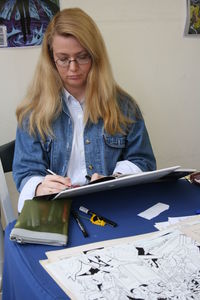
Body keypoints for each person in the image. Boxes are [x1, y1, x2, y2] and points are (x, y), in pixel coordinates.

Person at [13, 8, 156, 213]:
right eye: (63, 59)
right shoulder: (33, 112)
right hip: (56, 211)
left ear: (96, 56)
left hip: (111, 205)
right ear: (50, 58)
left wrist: (115, 178)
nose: (73, 68)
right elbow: (26, 171)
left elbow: (144, 161)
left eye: (82, 57)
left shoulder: (124, 106)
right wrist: (39, 186)